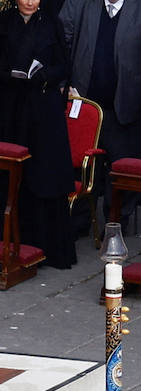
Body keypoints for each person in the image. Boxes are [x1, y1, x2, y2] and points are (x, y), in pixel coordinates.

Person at [61, 0, 141, 227]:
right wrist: (65, 84)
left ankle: (117, 222)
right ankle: (83, 220)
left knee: (123, 169)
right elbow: (62, 39)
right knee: (85, 167)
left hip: (128, 107)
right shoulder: (83, 4)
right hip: (87, 105)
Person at [0, 0, 75, 269]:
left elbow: (64, 66)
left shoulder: (52, 23)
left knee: (43, 174)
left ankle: (47, 247)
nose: (30, 2)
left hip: (43, 112)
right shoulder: (4, 21)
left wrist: (44, 75)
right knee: (10, 176)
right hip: (9, 110)